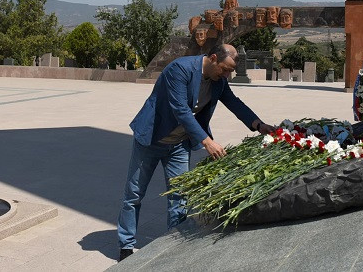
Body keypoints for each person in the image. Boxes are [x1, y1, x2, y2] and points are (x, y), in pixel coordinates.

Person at [117, 44, 275, 261]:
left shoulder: (219, 80)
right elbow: (180, 109)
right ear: (212, 58)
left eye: (231, 71)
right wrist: (207, 142)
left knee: (179, 196)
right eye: (225, 69)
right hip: (152, 139)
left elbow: (233, 102)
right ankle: (126, 246)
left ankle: (171, 247)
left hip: (179, 145)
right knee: (134, 194)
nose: (227, 75)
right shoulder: (179, 70)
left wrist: (258, 124)